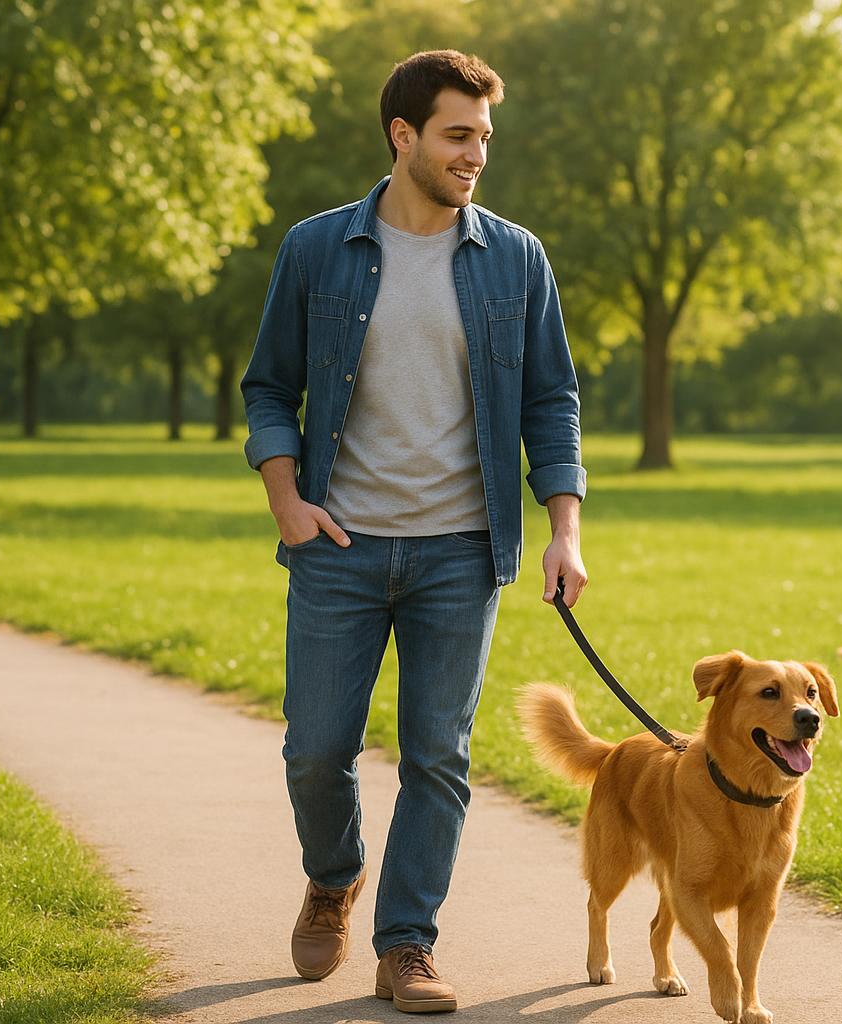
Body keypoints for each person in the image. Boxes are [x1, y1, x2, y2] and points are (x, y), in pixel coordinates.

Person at [240, 49, 587, 1014]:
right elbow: (269, 386)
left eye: (483, 137)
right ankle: (333, 875)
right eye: (458, 135)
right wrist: (286, 502)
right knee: (315, 750)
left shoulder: (516, 258)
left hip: (458, 555)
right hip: (337, 551)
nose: (477, 154)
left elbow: (551, 402)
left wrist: (564, 529)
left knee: (439, 754)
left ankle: (406, 946)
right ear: (404, 137)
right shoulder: (317, 250)